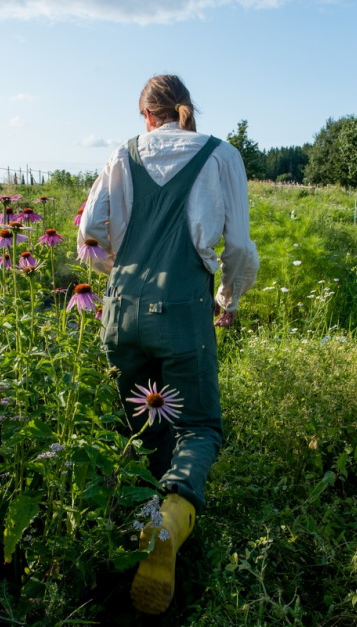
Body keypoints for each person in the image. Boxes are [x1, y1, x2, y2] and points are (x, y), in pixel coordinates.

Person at [78, 74, 258, 614]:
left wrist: (119, 270)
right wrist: (227, 299)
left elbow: (89, 227)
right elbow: (242, 248)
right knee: (197, 424)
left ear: (147, 116)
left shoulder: (120, 155)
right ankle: (171, 520)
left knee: (137, 421)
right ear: (181, 109)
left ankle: (132, 527)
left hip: (121, 309)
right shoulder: (222, 155)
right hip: (183, 310)